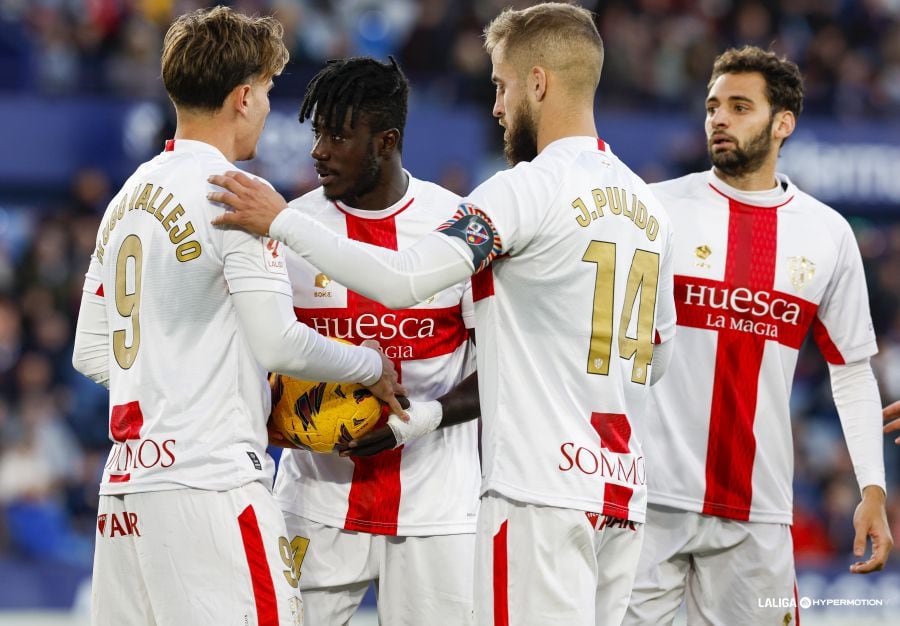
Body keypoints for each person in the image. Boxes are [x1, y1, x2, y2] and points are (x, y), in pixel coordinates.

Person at [208, 3, 677, 624]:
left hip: (533, 491)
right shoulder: (649, 207)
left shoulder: (519, 192)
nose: (496, 106)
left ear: (538, 82)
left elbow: (404, 280)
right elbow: (657, 356)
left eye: (501, 85)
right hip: (619, 487)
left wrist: (283, 222)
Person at [71, 7, 403, 625]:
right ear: (244, 96)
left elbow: (90, 353)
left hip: (124, 494)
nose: (269, 106)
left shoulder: (125, 199)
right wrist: (369, 364)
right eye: (270, 92)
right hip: (212, 487)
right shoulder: (236, 195)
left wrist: (174, 372)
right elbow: (279, 344)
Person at [622, 46, 893, 626]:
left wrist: (872, 487)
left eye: (740, 107)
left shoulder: (828, 234)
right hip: (647, 503)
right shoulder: (656, 210)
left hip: (758, 514)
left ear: (782, 123)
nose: (719, 119)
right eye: (713, 106)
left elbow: (850, 371)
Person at [271, 56, 481, 625]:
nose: (318, 150)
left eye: (337, 135)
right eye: (317, 132)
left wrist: (423, 419)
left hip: (436, 507)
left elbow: (507, 367)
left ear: (385, 141)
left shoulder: (457, 227)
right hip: (313, 501)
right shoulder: (288, 228)